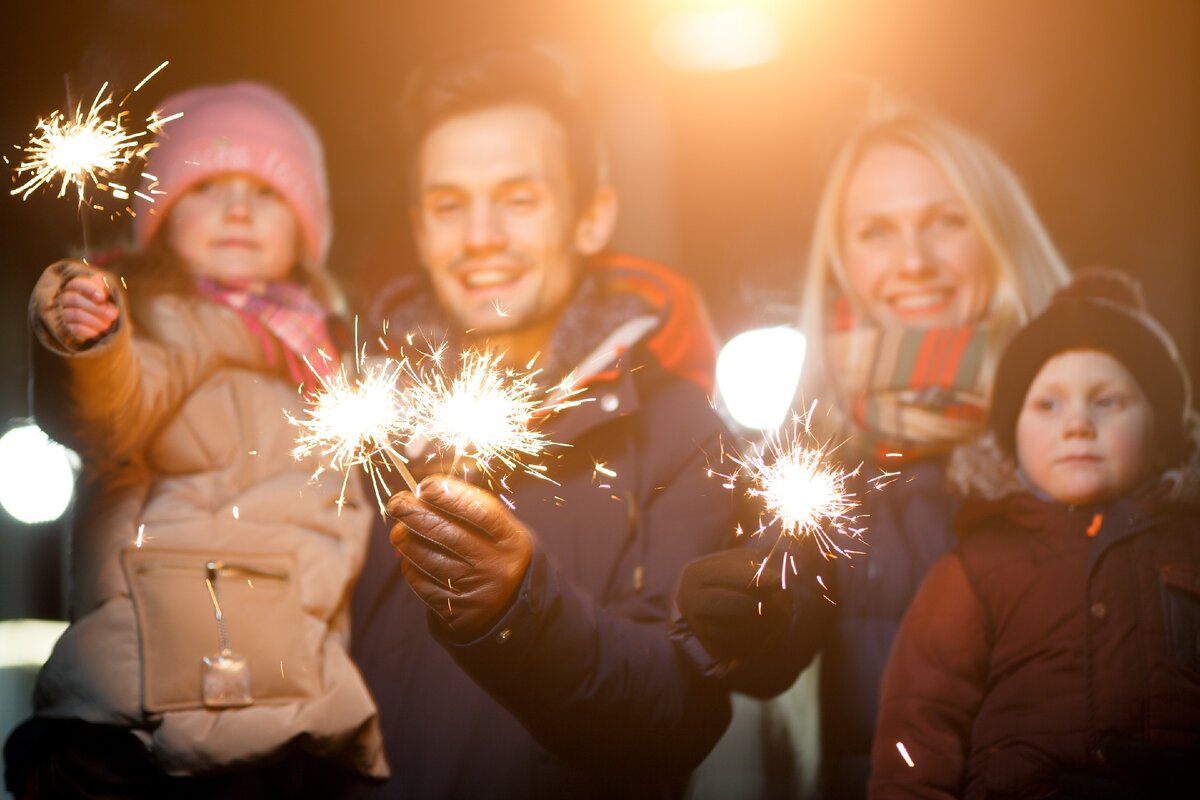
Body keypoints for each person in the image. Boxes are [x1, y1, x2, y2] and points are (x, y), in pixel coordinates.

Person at [348, 46, 736, 798]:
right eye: (449, 204)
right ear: (420, 231)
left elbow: (680, 712)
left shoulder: (678, 433)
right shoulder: (362, 425)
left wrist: (519, 608)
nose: (481, 235)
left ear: (592, 217)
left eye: (519, 198)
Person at [673, 102, 1071, 798]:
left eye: (947, 221)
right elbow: (784, 641)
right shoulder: (814, 449)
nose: (913, 262)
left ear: (997, 230)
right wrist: (749, 629)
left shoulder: (1106, 417)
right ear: (842, 260)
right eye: (876, 232)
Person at [3, 83, 386, 798]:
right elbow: (102, 411)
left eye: (267, 193)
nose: (239, 210)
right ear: (166, 215)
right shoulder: (153, 323)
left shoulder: (330, 358)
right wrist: (90, 345)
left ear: (308, 229)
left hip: (293, 700)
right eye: (208, 186)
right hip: (142, 698)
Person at [869, 268, 1200, 799]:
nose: (1077, 424)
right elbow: (922, 718)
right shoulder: (974, 567)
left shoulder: (1190, 545)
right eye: (1048, 404)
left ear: (1160, 434)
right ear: (1012, 442)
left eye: (1108, 400)